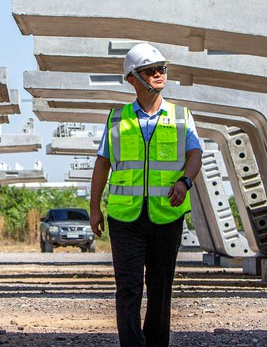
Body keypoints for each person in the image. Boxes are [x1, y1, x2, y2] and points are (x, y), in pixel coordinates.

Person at [90, 42, 203, 347]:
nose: (158, 74)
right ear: (132, 78)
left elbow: (195, 156)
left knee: (160, 289)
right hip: (125, 217)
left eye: (161, 69)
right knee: (128, 287)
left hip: (167, 215)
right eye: (150, 70)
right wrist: (94, 209)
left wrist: (185, 182)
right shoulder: (116, 118)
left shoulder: (181, 116)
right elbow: (102, 165)